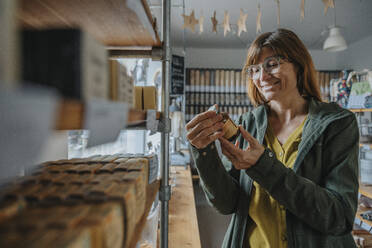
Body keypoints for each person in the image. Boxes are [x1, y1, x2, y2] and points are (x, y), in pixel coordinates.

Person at [186, 28, 359, 248]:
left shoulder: (337, 124)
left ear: (298, 65)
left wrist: (262, 166)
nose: (262, 77)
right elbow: (228, 203)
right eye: (254, 69)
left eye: (272, 64)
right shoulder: (247, 124)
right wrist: (203, 152)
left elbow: (339, 216)